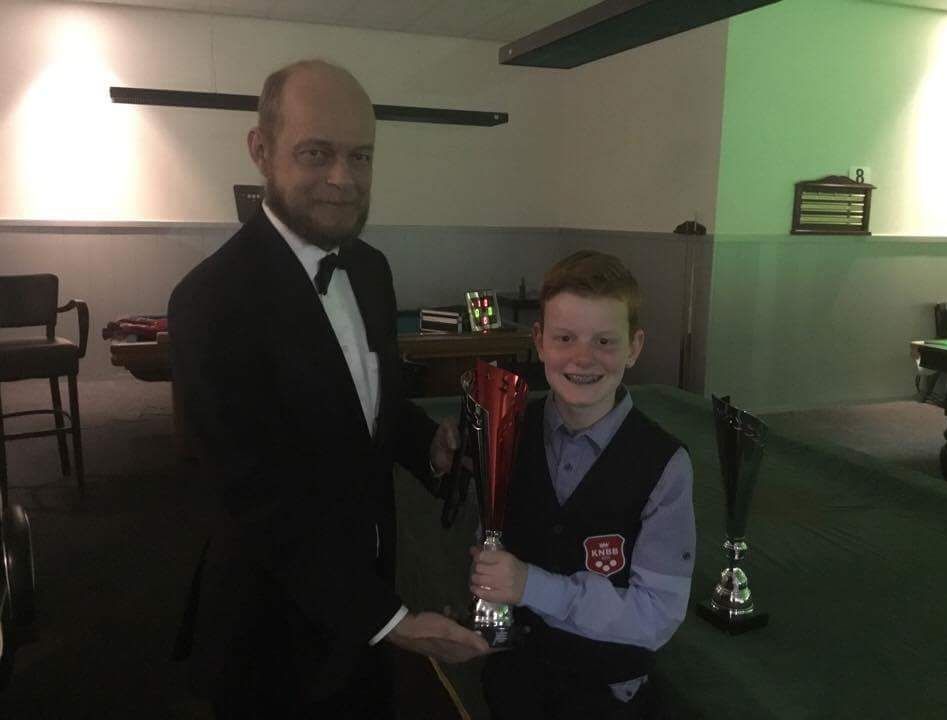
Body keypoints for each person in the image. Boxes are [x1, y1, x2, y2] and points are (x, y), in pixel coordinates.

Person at [168, 59, 489, 718]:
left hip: (364, 600)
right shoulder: (209, 301)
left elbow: (371, 407)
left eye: (361, 156)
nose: (343, 179)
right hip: (269, 628)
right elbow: (258, 503)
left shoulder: (370, 270)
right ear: (260, 151)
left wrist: (428, 445)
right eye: (316, 153)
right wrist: (391, 620)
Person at [471, 250, 696, 719]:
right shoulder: (506, 434)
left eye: (604, 342)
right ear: (539, 341)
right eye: (565, 338)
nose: (582, 358)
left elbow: (654, 616)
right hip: (513, 682)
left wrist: (531, 585)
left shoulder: (665, 464)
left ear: (634, 347)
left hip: (608, 698)